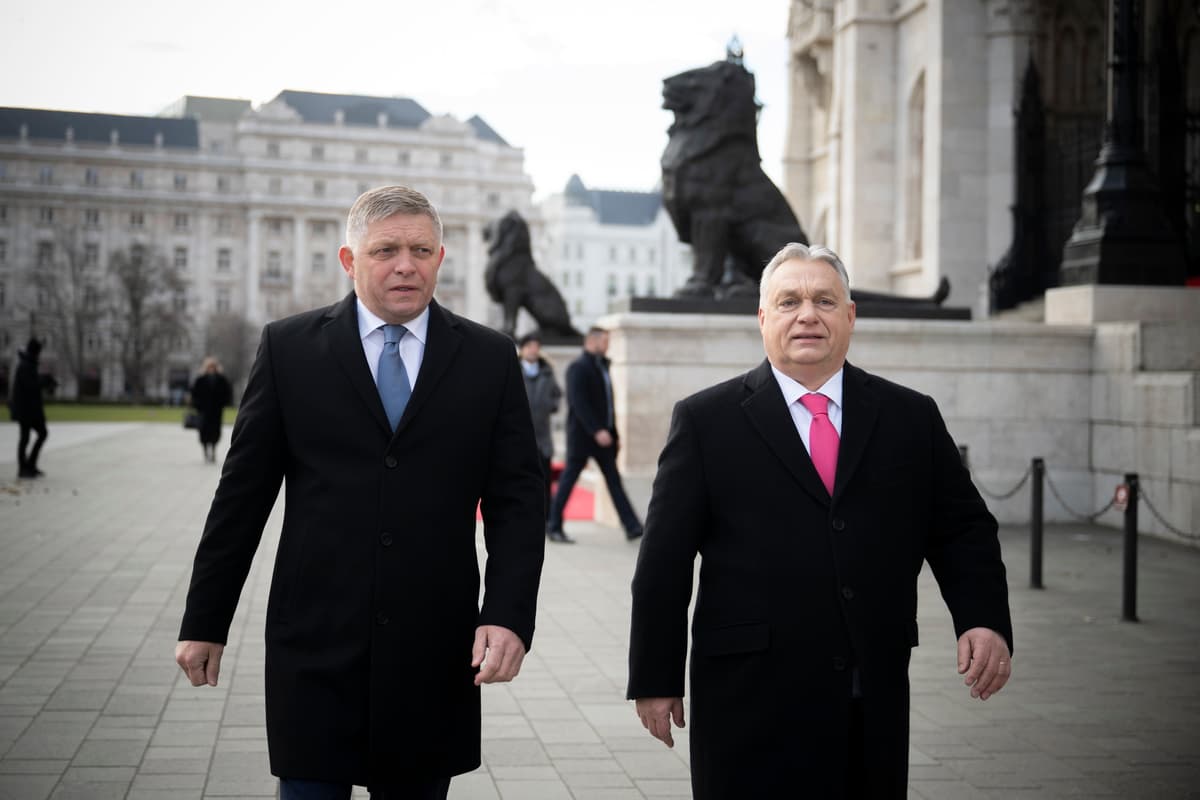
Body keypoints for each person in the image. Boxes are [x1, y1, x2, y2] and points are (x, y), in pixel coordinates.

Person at [175, 186, 546, 800]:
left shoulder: (488, 358)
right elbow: (241, 497)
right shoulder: (289, 348)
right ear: (350, 261)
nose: (406, 263)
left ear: (441, 257)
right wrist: (205, 620)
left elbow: (518, 502)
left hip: (434, 648)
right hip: (316, 641)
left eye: (421, 249)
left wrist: (508, 616)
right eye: (386, 250)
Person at [627, 243, 1013, 799]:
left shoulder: (910, 417)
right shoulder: (705, 422)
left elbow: (963, 530)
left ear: (850, 316)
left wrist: (983, 618)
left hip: (868, 692)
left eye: (824, 300)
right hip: (747, 698)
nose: (807, 314)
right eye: (789, 301)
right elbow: (662, 562)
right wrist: (656, 677)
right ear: (763, 319)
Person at [545, 326, 643, 544]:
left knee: (614, 482)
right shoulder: (578, 368)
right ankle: (553, 525)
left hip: (604, 438)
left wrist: (614, 434)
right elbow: (578, 403)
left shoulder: (603, 367)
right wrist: (596, 430)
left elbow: (609, 405)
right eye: (605, 341)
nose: (607, 346)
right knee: (568, 481)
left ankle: (632, 526)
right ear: (592, 341)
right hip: (583, 438)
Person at [517, 332, 562, 521]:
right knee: (520, 482)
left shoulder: (547, 371)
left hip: (543, 437)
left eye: (536, 346)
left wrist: (550, 405)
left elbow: (557, 394)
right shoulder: (514, 370)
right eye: (530, 346)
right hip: (520, 437)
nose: (533, 350)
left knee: (544, 482)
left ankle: (546, 518)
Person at [8, 337, 48, 479]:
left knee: (40, 434)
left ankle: (29, 465)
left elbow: (33, 384)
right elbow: (31, 386)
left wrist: (44, 380)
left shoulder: (29, 364)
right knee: (25, 437)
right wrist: (44, 381)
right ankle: (23, 468)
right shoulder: (26, 365)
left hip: (30, 409)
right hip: (25, 409)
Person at [189, 356, 233, 463]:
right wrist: (197, 405)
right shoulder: (200, 379)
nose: (211, 369)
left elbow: (227, 393)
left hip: (216, 411)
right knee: (203, 432)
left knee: (215, 432)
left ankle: (213, 451)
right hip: (203, 411)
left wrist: (223, 403)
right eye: (209, 367)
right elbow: (194, 394)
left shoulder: (221, 379)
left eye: (213, 367)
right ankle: (205, 452)